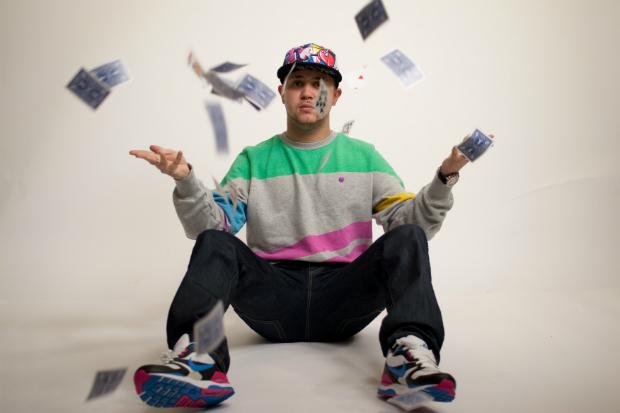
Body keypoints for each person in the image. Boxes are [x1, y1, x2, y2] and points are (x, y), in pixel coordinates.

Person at [129, 42, 483, 409]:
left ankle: (408, 360)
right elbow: (210, 227)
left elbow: (412, 227)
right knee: (216, 243)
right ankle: (196, 361)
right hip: (273, 299)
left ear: (336, 95)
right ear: (282, 92)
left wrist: (445, 178)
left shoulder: (364, 156)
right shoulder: (254, 159)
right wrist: (185, 180)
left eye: (319, 84)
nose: (309, 92)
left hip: (345, 300)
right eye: (298, 83)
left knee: (406, 237)